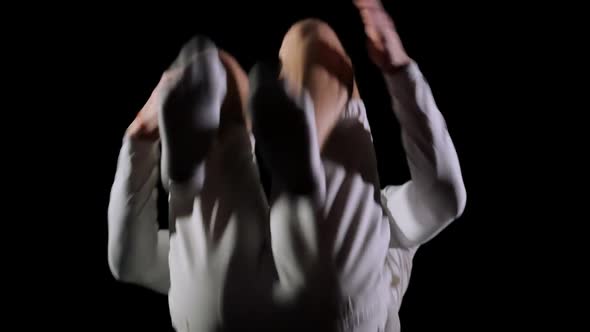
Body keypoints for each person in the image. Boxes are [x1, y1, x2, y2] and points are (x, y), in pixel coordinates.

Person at [107, 0, 467, 331]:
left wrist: (399, 68)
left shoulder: (385, 222)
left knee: (311, 40)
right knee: (217, 74)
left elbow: (445, 197)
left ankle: (281, 152)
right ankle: (194, 171)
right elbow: (129, 263)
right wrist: (139, 137)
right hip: (227, 310)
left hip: (325, 293)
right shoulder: (386, 222)